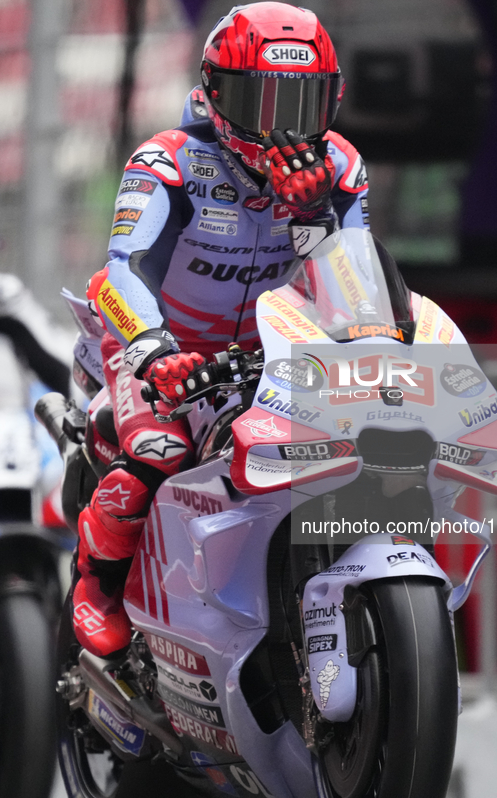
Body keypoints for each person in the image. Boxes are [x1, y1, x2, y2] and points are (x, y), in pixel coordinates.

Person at [72, 2, 370, 658]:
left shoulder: (340, 171)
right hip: (157, 341)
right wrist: (153, 353)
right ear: (213, 93)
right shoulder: (167, 160)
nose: (279, 129)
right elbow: (125, 268)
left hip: (274, 350)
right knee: (157, 450)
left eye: (299, 105)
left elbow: (353, 290)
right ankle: (96, 583)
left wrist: (309, 209)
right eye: (259, 102)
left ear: (332, 101)